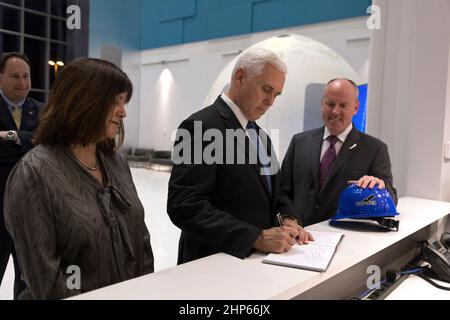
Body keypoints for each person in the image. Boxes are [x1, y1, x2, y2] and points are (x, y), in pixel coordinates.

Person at [4, 58, 154, 300]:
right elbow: (45, 279)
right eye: (116, 101)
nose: (123, 111)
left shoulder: (116, 163)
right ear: (85, 101)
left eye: (124, 102)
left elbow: (141, 239)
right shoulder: (33, 173)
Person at [167, 47, 313, 265]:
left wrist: (289, 218)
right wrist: (255, 237)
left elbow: (277, 191)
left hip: (255, 265)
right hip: (212, 265)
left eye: (276, 94)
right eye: (266, 89)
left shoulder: (261, 137)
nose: (271, 101)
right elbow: (184, 205)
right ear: (240, 77)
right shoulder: (200, 126)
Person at [278, 78, 397, 227]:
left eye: (343, 105)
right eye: (330, 104)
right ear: (322, 104)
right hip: (298, 236)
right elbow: (282, 191)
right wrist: (288, 219)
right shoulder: (299, 142)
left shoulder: (374, 149)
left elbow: (392, 199)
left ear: (356, 108)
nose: (335, 111)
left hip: (346, 238)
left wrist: (381, 186)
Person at [0, 52, 43, 299]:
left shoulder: (40, 109)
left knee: (28, 278)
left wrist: (12, 136)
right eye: (15, 76)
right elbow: (35, 143)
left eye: (26, 76)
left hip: (31, 210)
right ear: (0, 78)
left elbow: (46, 143)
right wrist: (28, 141)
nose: (22, 82)